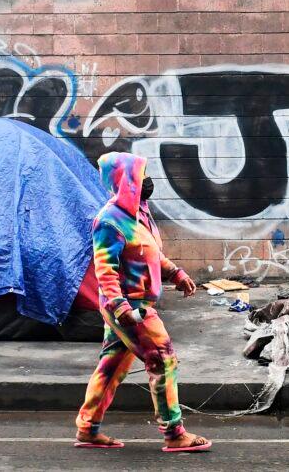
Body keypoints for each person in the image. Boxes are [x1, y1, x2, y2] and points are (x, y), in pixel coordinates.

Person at [74, 152, 211, 453]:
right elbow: (105, 269)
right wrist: (120, 308)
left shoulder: (139, 213)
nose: (148, 182)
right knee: (163, 359)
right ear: (126, 180)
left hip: (134, 304)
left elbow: (150, 253)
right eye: (142, 176)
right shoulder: (109, 221)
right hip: (130, 308)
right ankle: (174, 433)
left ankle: (87, 428)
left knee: (111, 367)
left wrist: (176, 273)